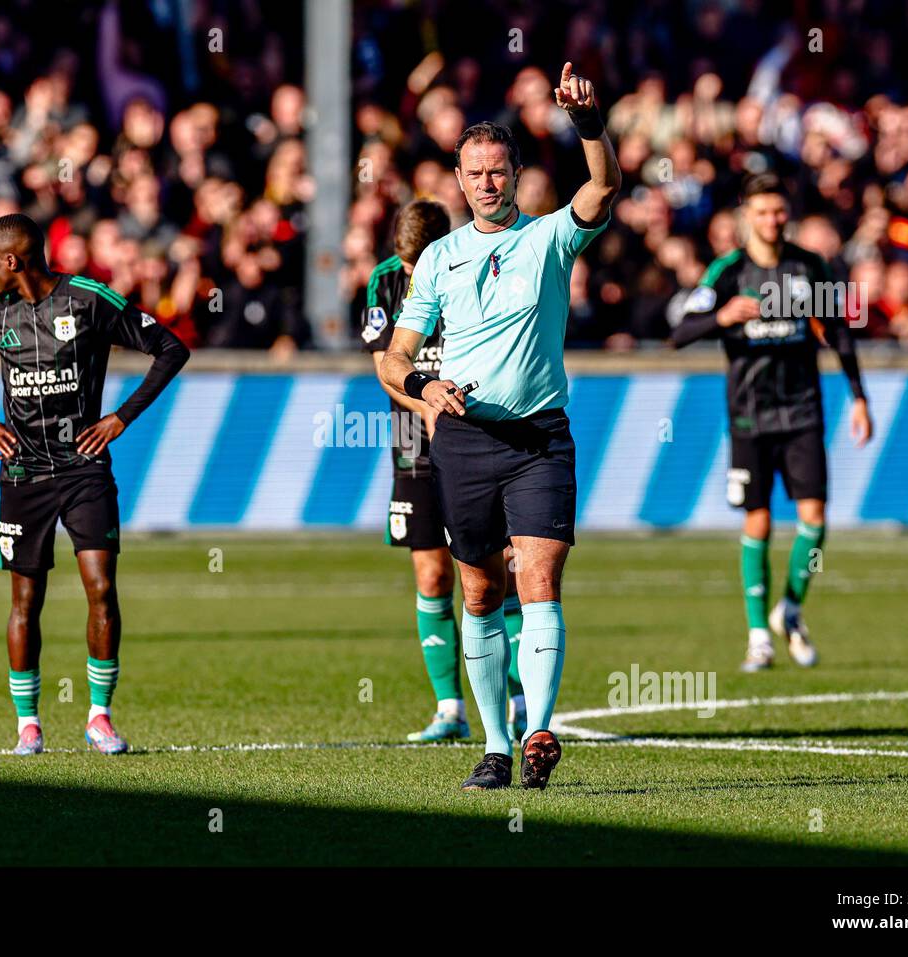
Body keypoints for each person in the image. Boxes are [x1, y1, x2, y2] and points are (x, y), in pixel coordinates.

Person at [381, 63, 620, 790]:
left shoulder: (550, 239)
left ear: (517, 173)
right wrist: (426, 382)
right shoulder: (438, 261)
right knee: (480, 592)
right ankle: (493, 741)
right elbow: (393, 361)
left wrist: (589, 126)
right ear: (458, 177)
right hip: (465, 440)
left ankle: (539, 729)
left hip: (540, 438)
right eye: (475, 172)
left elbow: (603, 187)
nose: (487, 183)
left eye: (498, 170)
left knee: (540, 577)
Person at [0, 214, 189, 755]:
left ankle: (100, 716)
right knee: (26, 600)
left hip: (84, 469)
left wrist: (121, 417)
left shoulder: (89, 300)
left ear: (12, 261)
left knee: (101, 587)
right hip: (22, 475)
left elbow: (170, 349)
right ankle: (28, 723)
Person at [672, 172, 873, 671]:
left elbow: (840, 333)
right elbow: (679, 333)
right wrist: (721, 318)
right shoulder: (727, 271)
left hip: (803, 411)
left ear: (789, 214)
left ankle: (792, 606)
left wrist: (859, 396)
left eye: (779, 211)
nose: (772, 220)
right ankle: (758, 632)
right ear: (746, 217)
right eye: (761, 212)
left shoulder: (809, 267)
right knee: (757, 520)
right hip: (749, 417)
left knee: (815, 519)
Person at [362, 199, 528, 743]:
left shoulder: (474, 259)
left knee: (499, 566)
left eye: (419, 266)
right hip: (416, 437)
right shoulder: (383, 282)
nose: (413, 278)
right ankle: (450, 707)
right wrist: (428, 408)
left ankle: (519, 698)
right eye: (406, 268)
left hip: (479, 433)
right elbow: (386, 369)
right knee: (433, 573)